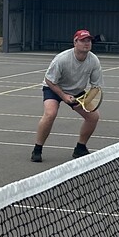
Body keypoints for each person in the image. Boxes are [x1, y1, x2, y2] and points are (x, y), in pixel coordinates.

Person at [30, 29, 104, 163]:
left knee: (93, 117)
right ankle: (37, 149)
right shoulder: (62, 59)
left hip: (77, 90)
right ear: (75, 42)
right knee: (50, 114)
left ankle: (80, 148)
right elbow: (49, 80)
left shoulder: (94, 61)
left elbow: (95, 87)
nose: (87, 43)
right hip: (54, 88)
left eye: (89, 41)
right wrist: (64, 96)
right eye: (83, 40)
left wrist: (84, 101)